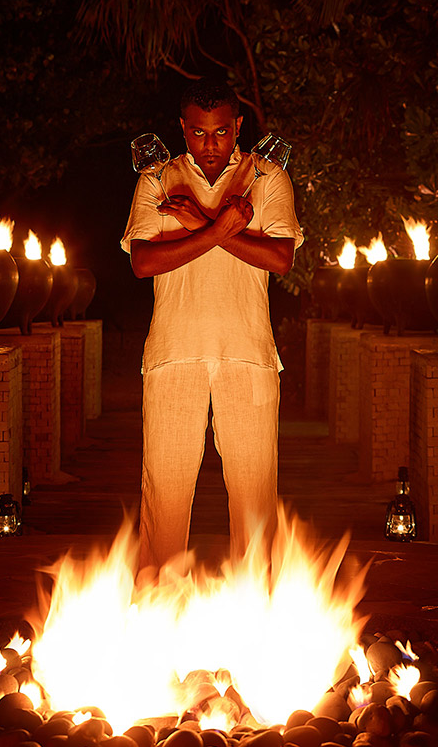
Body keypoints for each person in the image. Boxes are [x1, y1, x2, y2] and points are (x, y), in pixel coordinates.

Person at [121, 79, 303, 571]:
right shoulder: (157, 180)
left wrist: (201, 226)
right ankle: (155, 611)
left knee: (254, 497)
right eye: (199, 134)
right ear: (183, 129)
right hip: (172, 354)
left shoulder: (267, 179)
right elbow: (143, 263)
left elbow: (280, 258)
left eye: (221, 133)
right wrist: (222, 228)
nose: (210, 145)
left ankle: (259, 612)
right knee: (165, 492)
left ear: (237, 126)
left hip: (249, 355)